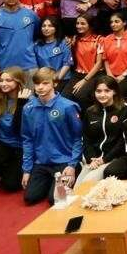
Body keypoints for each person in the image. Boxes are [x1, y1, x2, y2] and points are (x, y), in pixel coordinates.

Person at [20, 68, 82, 205]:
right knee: (30, 198)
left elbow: (78, 138)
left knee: (56, 199)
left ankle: (67, 179)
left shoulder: (68, 107)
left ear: (54, 84)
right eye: (37, 84)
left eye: (45, 83)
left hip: (64, 162)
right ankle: (51, 182)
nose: (40, 87)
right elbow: (27, 140)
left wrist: (72, 165)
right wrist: (27, 170)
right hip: (41, 163)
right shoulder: (28, 109)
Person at [74, 76, 127, 186]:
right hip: (95, 160)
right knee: (78, 186)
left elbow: (124, 140)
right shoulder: (90, 112)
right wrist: (91, 159)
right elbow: (86, 139)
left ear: (114, 91)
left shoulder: (125, 109)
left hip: (116, 157)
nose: (102, 94)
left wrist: (104, 159)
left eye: (107, 91)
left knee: (87, 183)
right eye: (98, 91)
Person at [98, 12, 127, 97]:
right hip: (111, 75)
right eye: (111, 22)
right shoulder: (106, 39)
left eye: (116, 21)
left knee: (115, 93)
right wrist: (109, 74)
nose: (113, 24)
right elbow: (105, 59)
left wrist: (123, 75)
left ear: (124, 23)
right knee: (101, 92)